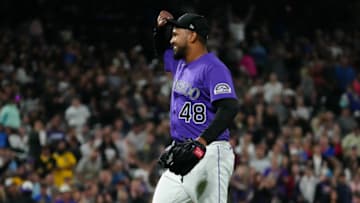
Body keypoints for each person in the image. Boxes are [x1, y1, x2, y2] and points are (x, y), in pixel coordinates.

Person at [152, 10, 239, 203]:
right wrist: (160, 31)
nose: (172, 40)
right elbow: (161, 52)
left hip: (209, 152)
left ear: (192, 36)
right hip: (182, 154)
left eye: (176, 34)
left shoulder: (213, 68)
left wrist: (202, 142)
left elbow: (230, 107)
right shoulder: (180, 63)